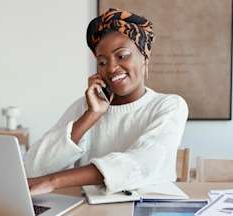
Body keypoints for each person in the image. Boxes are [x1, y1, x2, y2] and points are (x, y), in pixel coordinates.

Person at [25, 8, 188, 195]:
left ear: (144, 58)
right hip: (90, 210)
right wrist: (91, 115)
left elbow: (140, 162)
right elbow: (34, 169)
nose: (111, 68)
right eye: (102, 62)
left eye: (122, 56)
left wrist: (54, 181)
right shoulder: (85, 107)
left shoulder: (169, 106)